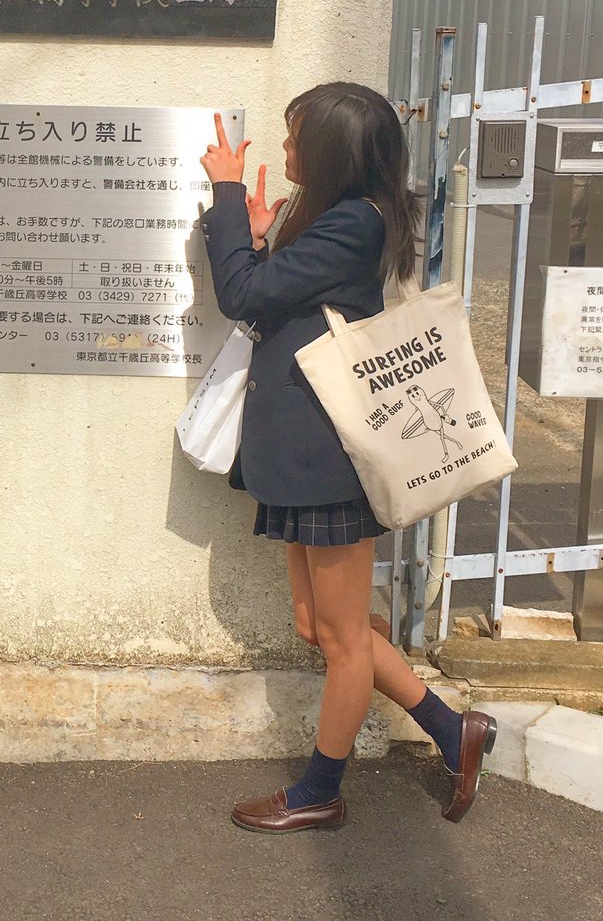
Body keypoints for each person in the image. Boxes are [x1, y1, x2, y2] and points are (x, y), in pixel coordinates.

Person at [199, 84, 496, 834]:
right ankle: (453, 729)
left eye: (295, 139)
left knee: (340, 639)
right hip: (302, 456)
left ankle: (319, 792)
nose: (285, 150)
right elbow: (272, 296)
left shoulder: (355, 224)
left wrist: (227, 196)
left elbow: (241, 294)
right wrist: (259, 238)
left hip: (328, 457)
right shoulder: (334, 219)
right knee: (321, 627)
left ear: (331, 151)